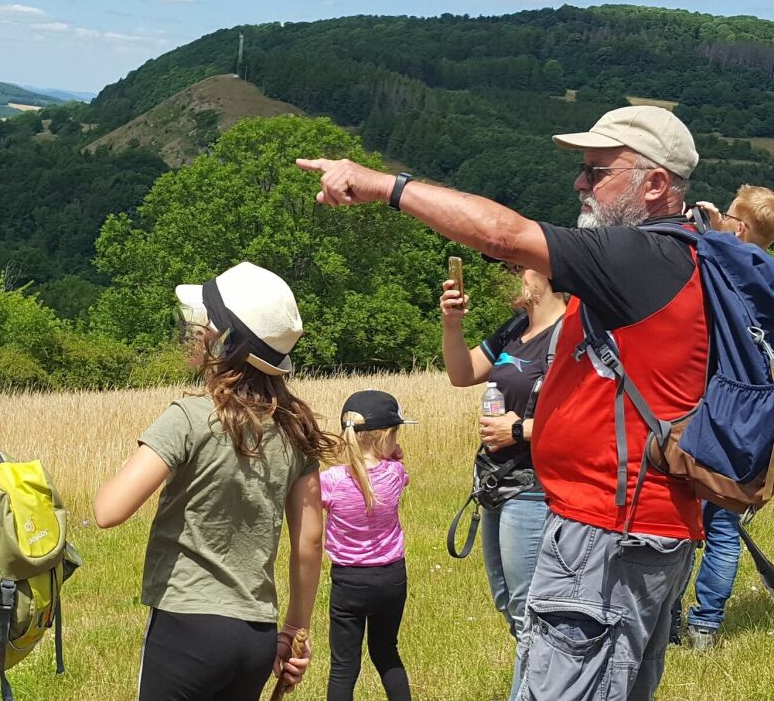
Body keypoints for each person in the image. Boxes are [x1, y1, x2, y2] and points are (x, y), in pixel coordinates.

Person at [298, 104, 707, 701]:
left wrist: (384, 184)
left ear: (654, 185)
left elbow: (501, 233)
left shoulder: (643, 258)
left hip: (607, 536)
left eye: (597, 171)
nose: (580, 183)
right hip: (638, 530)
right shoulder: (683, 254)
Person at [93, 261, 329, 701]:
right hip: (256, 634)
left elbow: (108, 510)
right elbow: (310, 542)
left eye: (202, 325)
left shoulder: (189, 417)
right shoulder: (296, 431)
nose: (192, 332)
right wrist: (296, 626)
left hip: (186, 628)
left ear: (224, 341)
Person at [440, 262, 566, 699]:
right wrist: (451, 323)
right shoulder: (515, 328)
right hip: (497, 482)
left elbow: (592, 417)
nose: (515, 275)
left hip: (534, 488)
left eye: (521, 268)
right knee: (507, 603)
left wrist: (520, 430)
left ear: (549, 276)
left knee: (529, 608)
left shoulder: (570, 334)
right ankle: (546, 684)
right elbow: (461, 373)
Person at [672, 184, 774, 650]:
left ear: (743, 227)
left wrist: (705, 228)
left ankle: (675, 618)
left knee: (692, 521)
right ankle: (705, 627)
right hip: (747, 422)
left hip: (714, 413)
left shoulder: (745, 269)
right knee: (723, 526)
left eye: (732, 215)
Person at [322, 389, 414, 701]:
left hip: (348, 581)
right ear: (388, 435)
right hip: (391, 578)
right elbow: (403, 476)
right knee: (386, 652)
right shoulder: (395, 474)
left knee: (343, 666)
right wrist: (393, 456)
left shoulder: (331, 481)